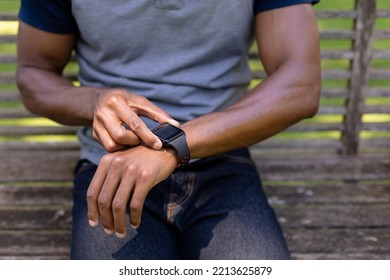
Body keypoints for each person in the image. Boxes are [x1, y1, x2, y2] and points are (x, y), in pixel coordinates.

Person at [16, 0, 321, 260]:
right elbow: (34, 72)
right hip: (112, 166)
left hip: (221, 159)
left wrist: (174, 147)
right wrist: (94, 100)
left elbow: (300, 84)